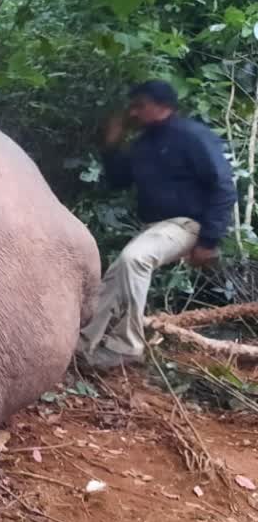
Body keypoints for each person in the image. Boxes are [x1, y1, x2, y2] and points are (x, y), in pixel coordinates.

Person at [78, 79, 238, 367]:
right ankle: (81, 343)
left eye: (140, 106)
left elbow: (223, 186)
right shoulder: (143, 144)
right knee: (112, 281)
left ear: (163, 106)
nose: (134, 113)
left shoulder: (192, 136)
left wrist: (209, 240)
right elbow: (119, 181)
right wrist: (112, 146)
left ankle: (127, 347)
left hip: (186, 224)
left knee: (134, 259)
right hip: (155, 227)